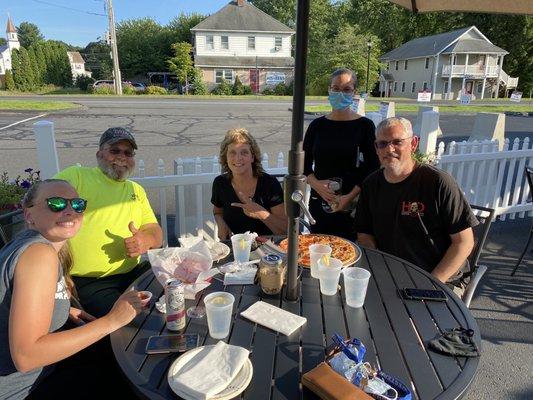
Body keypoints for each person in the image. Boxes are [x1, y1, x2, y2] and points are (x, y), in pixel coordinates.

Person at [0, 179, 144, 399]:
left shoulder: (28, 245)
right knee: (132, 377)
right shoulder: (39, 255)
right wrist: (112, 320)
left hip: (44, 372)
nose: (69, 210)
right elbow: (26, 355)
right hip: (24, 390)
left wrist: (59, 307)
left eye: (77, 205)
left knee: (114, 354)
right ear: (29, 215)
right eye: (56, 204)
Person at [355, 117, 478, 295]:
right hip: (391, 275)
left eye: (397, 142)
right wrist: (380, 267)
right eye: (382, 144)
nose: (389, 149)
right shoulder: (371, 184)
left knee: (414, 322)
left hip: (440, 278)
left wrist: (430, 283)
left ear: (413, 143)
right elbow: (364, 234)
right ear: (376, 148)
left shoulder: (437, 182)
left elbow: (464, 243)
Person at [54, 127, 163, 317]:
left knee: (172, 297)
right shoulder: (77, 177)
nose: (122, 156)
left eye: (128, 153)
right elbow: (42, 210)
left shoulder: (136, 190)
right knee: (133, 320)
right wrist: (57, 276)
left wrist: (145, 240)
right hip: (91, 282)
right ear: (99, 154)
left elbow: (155, 231)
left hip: (134, 272)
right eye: (115, 150)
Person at [303, 68, 380, 239]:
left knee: (348, 251)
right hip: (320, 202)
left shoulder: (365, 126)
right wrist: (316, 185)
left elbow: (373, 166)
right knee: (318, 251)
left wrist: (349, 197)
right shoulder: (316, 126)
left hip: (351, 205)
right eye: (336, 88)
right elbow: (304, 165)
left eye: (346, 89)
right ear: (329, 90)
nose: (340, 93)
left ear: (354, 92)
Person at [211, 128, 287, 239]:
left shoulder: (269, 184)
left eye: (244, 152)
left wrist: (261, 213)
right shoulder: (220, 183)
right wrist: (221, 222)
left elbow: (286, 230)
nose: (238, 158)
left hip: (267, 249)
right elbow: (217, 212)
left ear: (252, 157)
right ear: (225, 158)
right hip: (237, 248)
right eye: (232, 152)